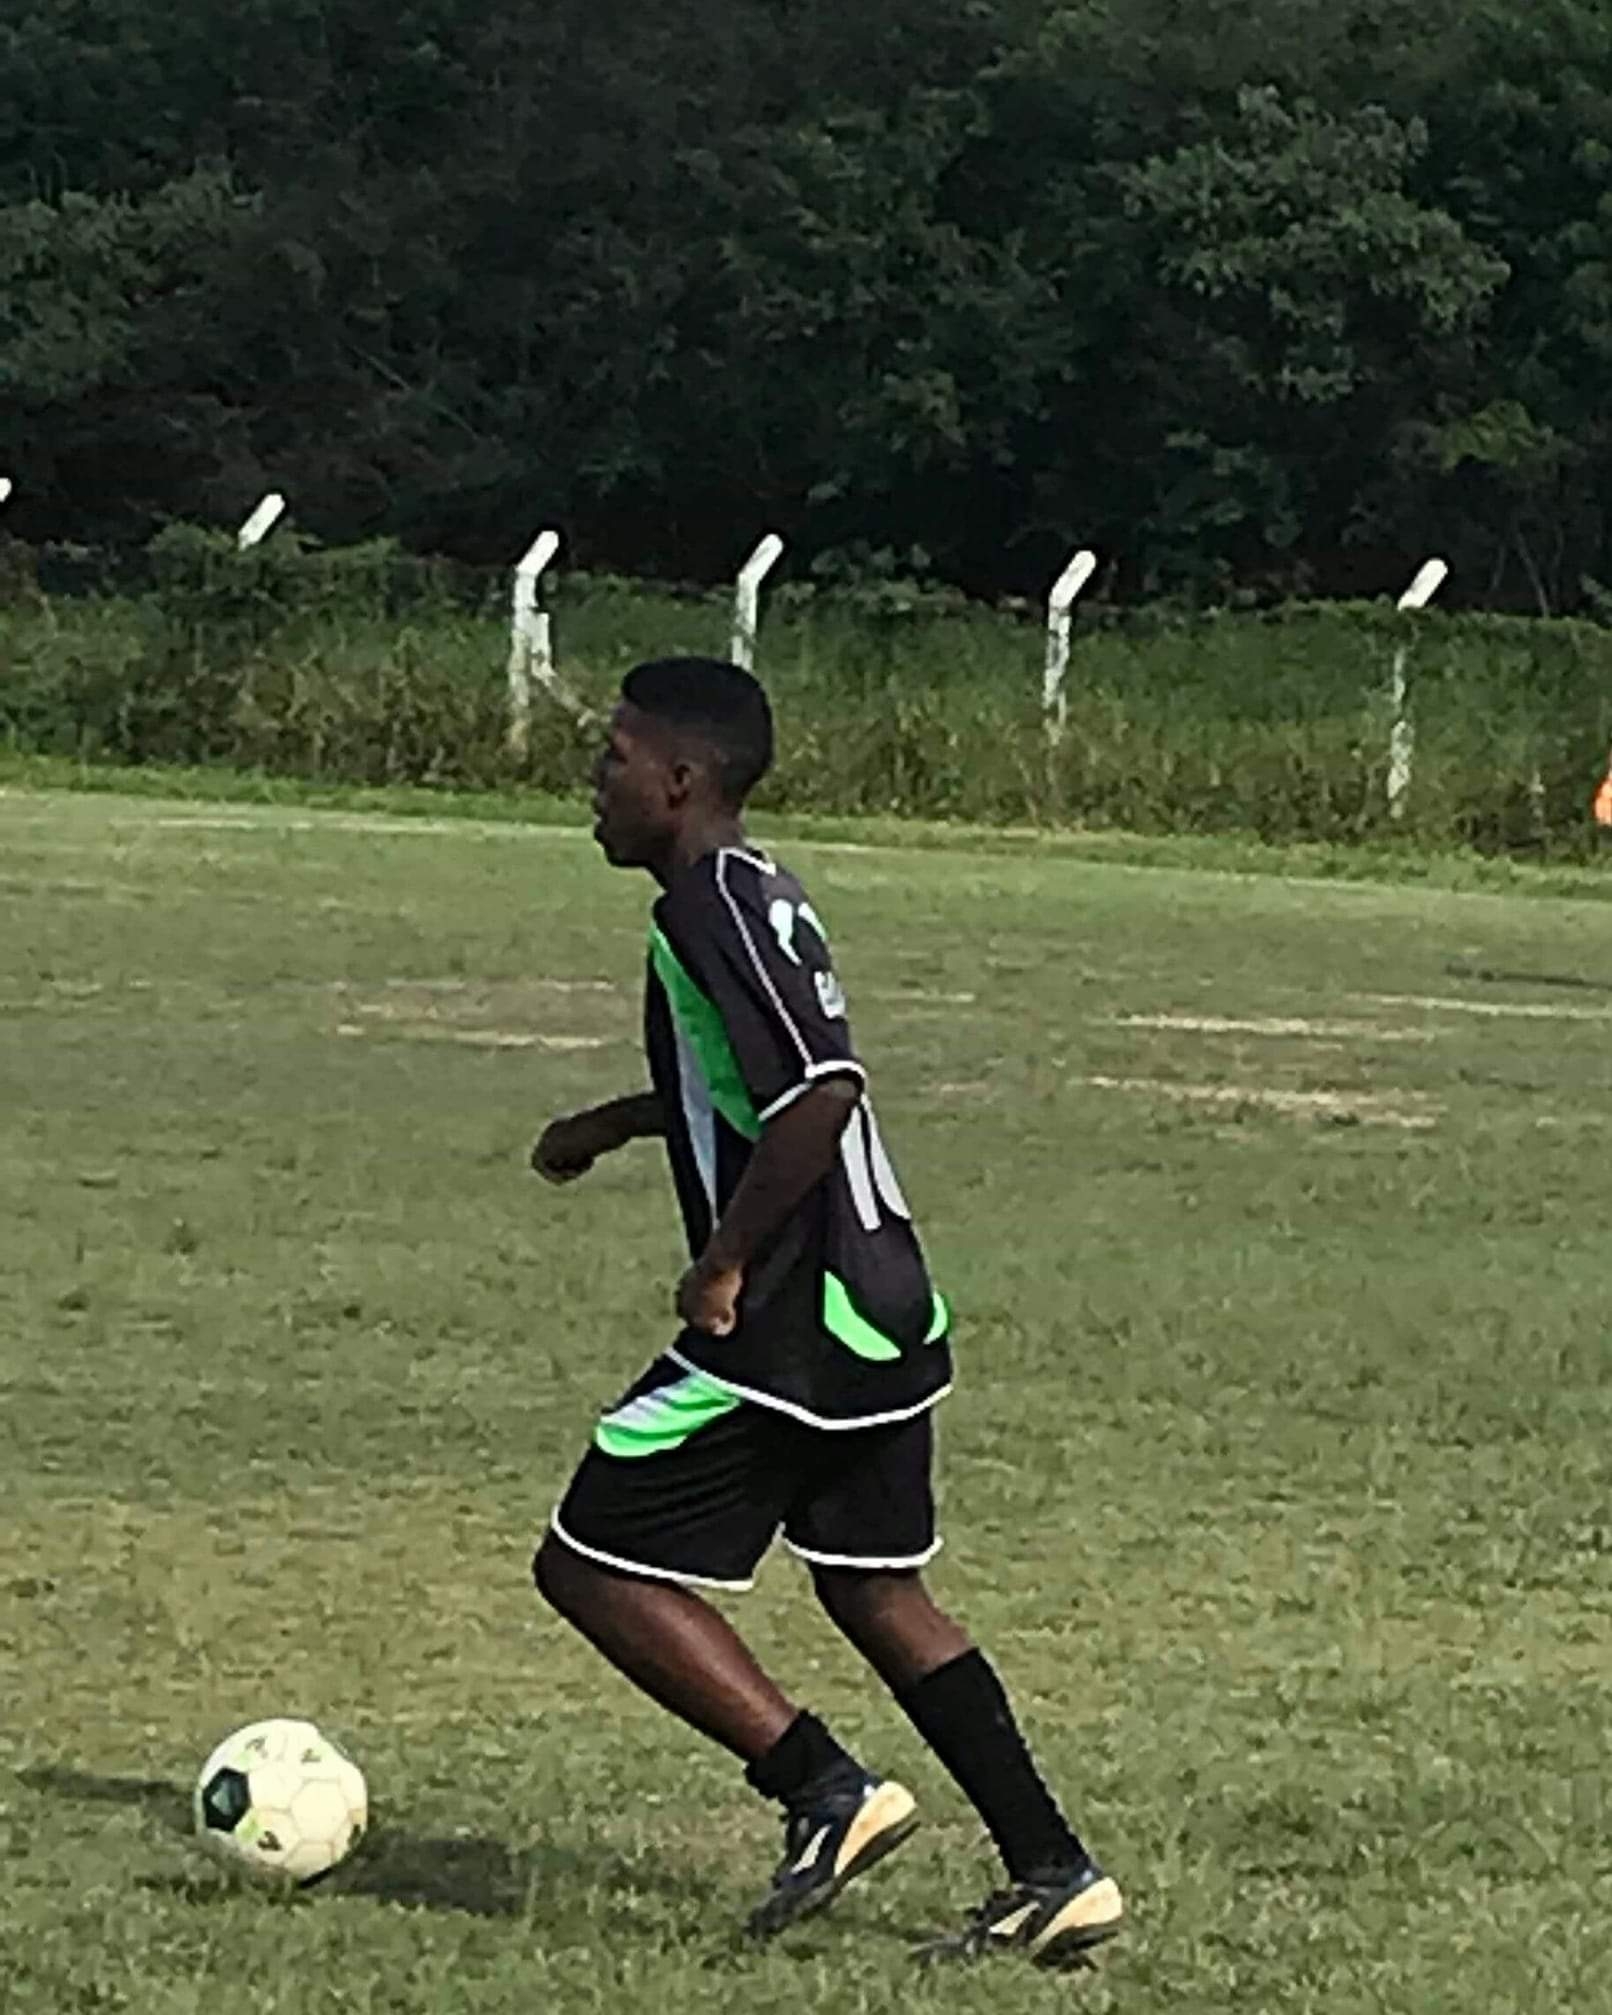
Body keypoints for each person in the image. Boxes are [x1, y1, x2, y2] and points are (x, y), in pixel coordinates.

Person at [530, 656, 1123, 1966]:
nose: (595, 780)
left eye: (614, 758)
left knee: (590, 1560)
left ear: (679, 780)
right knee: (872, 1585)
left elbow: (818, 1091)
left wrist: (724, 1263)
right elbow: (755, 1083)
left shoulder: (707, 906)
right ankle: (1054, 1872)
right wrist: (617, 1123)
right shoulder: (752, 888)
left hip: (796, 1316)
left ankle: (824, 1790)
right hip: (882, 1301)